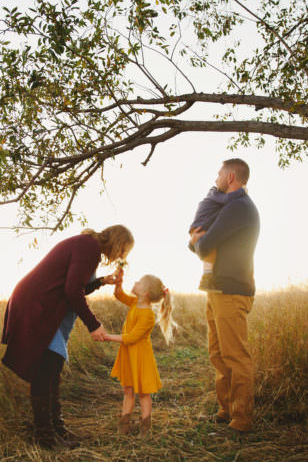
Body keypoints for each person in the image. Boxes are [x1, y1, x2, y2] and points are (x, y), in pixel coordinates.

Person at [1, 225, 134, 448]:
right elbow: (72, 290)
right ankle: (46, 437)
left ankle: (57, 430)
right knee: (45, 371)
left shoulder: (88, 247)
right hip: (38, 304)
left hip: (44, 304)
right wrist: (94, 325)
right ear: (118, 242)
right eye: (123, 251)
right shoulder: (88, 247)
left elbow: (76, 286)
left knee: (52, 370)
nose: (120, 257)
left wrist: (102, 281)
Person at [189, 158, 260, 433]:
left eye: (219, 172)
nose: (216, 177)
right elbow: (194, 241)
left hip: (231, 290)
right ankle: (226, 409)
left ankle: (242, 419)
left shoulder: (239, 207)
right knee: (218, 353)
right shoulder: (227, 206)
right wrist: (198, 242)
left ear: (230, 176)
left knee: (235, 356)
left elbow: (203, 244)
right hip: (217, 289)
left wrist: (199, 242)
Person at [105, 274, 175, 435]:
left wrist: (108, 337)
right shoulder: (135, 302)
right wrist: (119, 282)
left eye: (139, 282)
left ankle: (145, 428)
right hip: (129, 356)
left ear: (145, 293)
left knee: (144, 393)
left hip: (141, 357)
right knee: (128, 391)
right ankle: (123, 426)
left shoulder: (148, 315)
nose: (135, 282)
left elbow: (131, 338)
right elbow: (119, 295)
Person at [189, 183, 249, 291]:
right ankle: (206, 279)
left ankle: (207, 276)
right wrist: (242, 191)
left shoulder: (215, 197)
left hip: (200, 225)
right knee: (211, 250)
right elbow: (227, 198)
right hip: (200, 227)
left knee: (212, 249)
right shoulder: (214, 193)